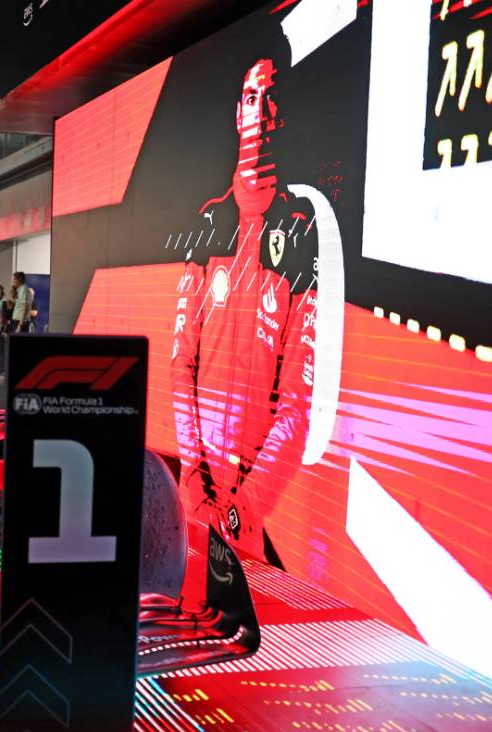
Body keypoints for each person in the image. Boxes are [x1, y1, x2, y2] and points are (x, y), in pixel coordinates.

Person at [172, 55, 318, 565]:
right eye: (253, 98)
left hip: (251, 519)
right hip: (198, 496)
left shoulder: (304, 233)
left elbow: (298, 403)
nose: (262, 112)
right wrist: (193, 481)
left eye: (272, 99)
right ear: (240, 112)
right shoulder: (207, 223)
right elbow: (180, 364)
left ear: (284, 116)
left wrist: (242, 508)